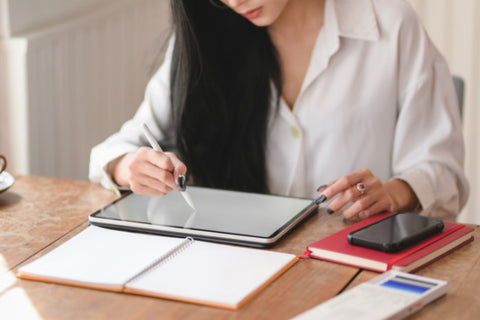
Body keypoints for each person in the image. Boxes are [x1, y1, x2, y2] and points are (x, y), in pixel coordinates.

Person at [89, 0, 469, 220]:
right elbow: (117, 148)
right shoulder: (207, 38)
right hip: (239, 270)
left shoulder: (391, 26)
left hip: (356, 276)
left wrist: (393, 193)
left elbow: (444, 174)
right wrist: (129, 167)